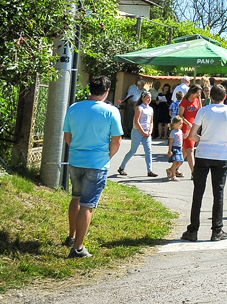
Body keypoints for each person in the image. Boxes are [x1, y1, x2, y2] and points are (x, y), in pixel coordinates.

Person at [61, 76, 121, 259]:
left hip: (76, 160)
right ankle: (78, 248)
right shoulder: (111, 111)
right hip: (97, 163)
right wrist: (107, 156)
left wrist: (77, 150)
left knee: (75, 198)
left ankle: (71, 236)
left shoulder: (74, 108)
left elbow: (67, 135)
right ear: (107, 91)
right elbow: (117, 141)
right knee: (87, 206)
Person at [180, 84, 227, 242]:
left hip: (203, 153)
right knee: (218, 193)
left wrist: (205, 139)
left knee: (198, 192)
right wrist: (223, 141)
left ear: (210, 97)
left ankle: (193, 230)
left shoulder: (203, 110)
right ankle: (217, 230)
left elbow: (193, 136)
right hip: (221, 155)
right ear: (225, 97)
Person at [117, 91, 157, 178]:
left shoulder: (150, 109)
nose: (149, 99)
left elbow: (151, 122)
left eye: (150, 98)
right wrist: (143, 132)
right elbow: (137, 122)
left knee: (148, 151)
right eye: (147, 98)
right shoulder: (139, 108)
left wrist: (150, 131)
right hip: (137, 132)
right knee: (133, 151)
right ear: (142, 98)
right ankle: (122, 167)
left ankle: (149, 170)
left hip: (147, 133)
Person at [179, 87, 202, 178]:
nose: (198, 95)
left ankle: (174, 168)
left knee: (185, 150)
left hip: (194, 127)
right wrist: (187, 123)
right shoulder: (185, 101)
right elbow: (180, 115)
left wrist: (199, 99)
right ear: (192, 92)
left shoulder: (196, 100)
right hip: (186, 127)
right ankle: (194, 172)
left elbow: (200, 110)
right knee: (190, 149)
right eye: (197, 93)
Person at [166, 116, 186, 180]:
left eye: (182, 123)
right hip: (175, 148)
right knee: (175, 162)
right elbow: (171, 142)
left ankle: (170, 170)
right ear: (175, 124)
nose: (181, 125)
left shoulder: (180, 131)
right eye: (180, 123)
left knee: (181, 161)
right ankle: (173, 176)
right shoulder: (173, 132)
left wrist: (188, 130)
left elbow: (184, 137)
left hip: (180, 148)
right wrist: (169, 150)